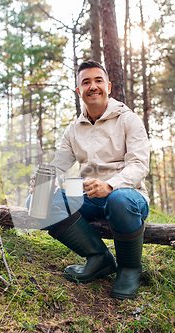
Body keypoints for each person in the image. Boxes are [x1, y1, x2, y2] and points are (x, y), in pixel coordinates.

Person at [27, 60, 150, 300]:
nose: (93, 86)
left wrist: (111, 185)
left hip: (127, 195)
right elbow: (59, 165)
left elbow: (139, 165)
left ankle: (129, 268)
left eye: (98, 81)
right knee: (37, 200)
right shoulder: (73, 129)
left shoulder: (129, 120)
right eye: (86, 82)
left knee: (119, 200)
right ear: (79, 91)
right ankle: (98, 257)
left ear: (108, 86)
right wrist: (46, 180)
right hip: (87, 195)